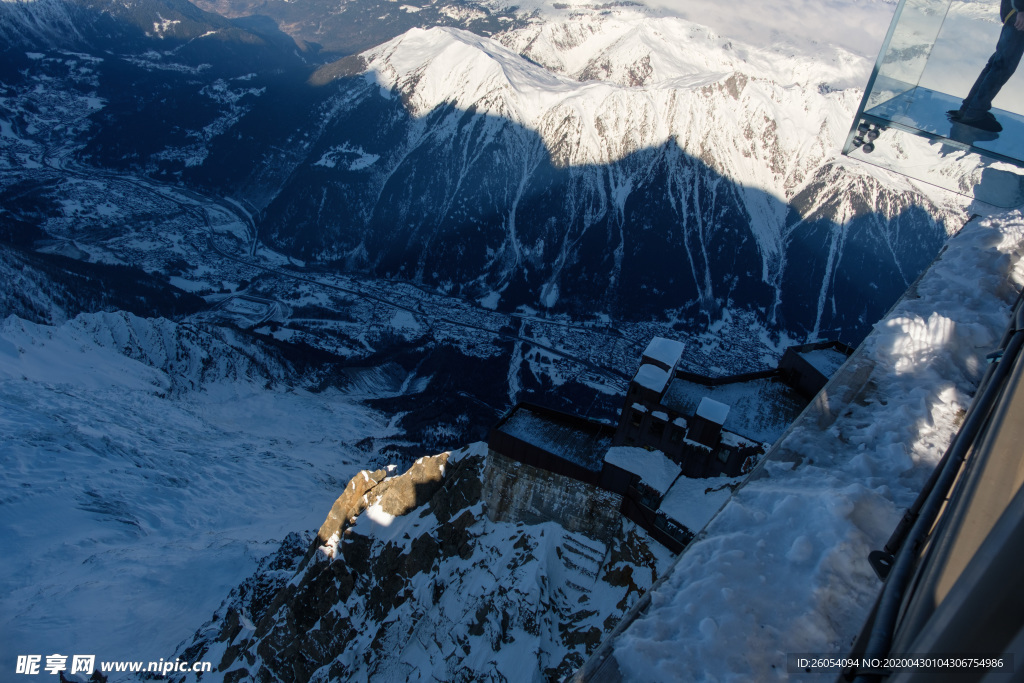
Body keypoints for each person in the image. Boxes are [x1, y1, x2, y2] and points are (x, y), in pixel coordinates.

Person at [948, 0, 1024, 132]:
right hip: (1018, 16)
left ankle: (968, 108)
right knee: (1002, 67)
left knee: (996, 64)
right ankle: (974, 113)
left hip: (1014, 13)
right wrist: (1021, 9)